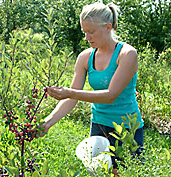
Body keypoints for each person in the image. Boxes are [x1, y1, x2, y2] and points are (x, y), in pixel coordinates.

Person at [40, 1, 144, 175]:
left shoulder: (127, 54)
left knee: (126, 172)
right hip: (99, 126)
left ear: (108, 27)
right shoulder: (85, 57)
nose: (87, 38)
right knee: (99, 172)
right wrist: (47, 123)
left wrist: (70, 92)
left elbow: (111, 95)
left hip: (127, 128)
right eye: (84, 32)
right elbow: (71, 99)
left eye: (91, 32)